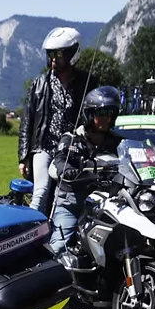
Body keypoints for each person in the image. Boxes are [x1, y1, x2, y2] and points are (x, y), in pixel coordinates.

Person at [18, 26, 90, 216]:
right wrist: (24, 156)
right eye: (51, 54)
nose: (53, 59)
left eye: (59, 54)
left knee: (67, 199)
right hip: (44, 147)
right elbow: (27, 120)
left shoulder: (87, 83)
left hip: (72, 150)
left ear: (73, 54)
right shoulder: (40, 83)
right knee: (40, 193)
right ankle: (30, 232)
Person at [47, 85, 123, 254]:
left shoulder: (118, 143)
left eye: (111, 113)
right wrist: (67, 170)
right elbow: (58, 161)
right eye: (102, 113)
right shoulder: (72, 139)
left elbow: (132, 159)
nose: (107, 118)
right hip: (73, 204)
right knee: (59, 247)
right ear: (89, 114)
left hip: (105, 204)